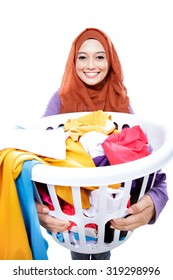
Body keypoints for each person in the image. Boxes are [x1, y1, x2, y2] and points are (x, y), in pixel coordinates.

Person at [36, 27, 168, 260]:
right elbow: (34, 154)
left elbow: (149, 165)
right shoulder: (61, 100)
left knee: (102, 251)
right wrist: (33, 207)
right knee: (80, 254)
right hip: (70, 212)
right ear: (73, 61)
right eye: (82, 57)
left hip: (112, 209)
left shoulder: (121, 102)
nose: (91, 65)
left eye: (100, 56)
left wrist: (155, 201)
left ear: (111, 60)